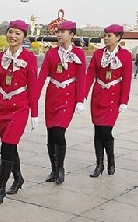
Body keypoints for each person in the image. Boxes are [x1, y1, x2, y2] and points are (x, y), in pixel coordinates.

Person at [0, 20, 39, 207]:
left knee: (7, 147)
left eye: (18, 33)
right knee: (10, 146)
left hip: (20, 107)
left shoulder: (29, 58)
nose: (13, 36)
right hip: (3, 107)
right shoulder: (1, 58)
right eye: (11, 32)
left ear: (24, 37)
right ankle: (18, 178)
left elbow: (33, 86)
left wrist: (35, 113)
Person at [36, 21, 87, 184]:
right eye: (58, 32)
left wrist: (80, 100)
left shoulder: (78, 53)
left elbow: (82, 78)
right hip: (53, 96)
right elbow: (42, 75)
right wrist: (34, 96)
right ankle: (53, 168)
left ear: (72, 35)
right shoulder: (51, 53)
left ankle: (61, 168)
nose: (59, 34)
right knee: (51, 134)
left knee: (59, 132)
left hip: (68, 97)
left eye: (63, 32)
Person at [85, 24, 132, 177]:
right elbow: (90, 75)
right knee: (97, 131)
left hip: (113, 97)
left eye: (109, 35)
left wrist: (124, 100)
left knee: (106, 131)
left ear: (118, 37)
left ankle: (111, 160)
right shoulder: (98, 54)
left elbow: (127, 80)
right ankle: (99, 164)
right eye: (105, 35)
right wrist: (82, 96)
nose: (105, 38)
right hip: (98, 96)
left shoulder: (125, 55)